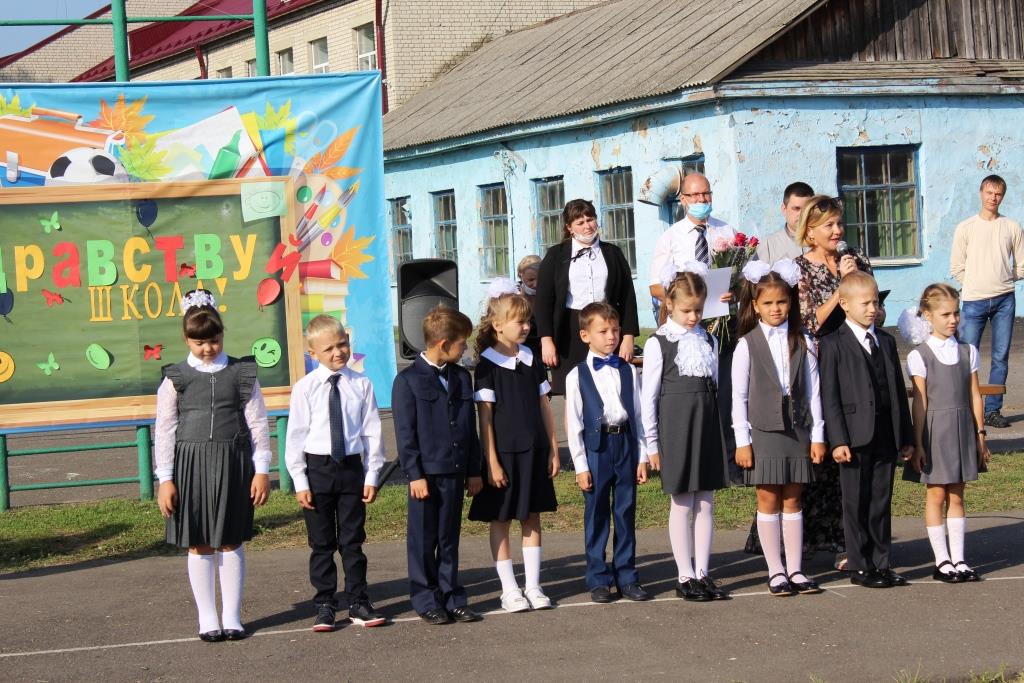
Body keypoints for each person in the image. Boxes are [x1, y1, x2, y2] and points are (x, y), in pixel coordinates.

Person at [155, 289, 271, 642]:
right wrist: (165, 479)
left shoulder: (242, 373)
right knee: (199, 542)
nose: (208, 348)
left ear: (222, 334)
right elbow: (165, 429)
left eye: (214, 340)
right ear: (186, 339)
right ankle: (207, 617)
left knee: (230, 540)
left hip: (232, 462)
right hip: (190, 466)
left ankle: (232, 616)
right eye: (199, 342)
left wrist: (262, 470)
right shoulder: (175, 378)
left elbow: (257, 423)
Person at [285, 315, 387, 632]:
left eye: (342, 344)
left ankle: (358, 601)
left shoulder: (361, 384)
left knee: (352, 541)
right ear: (313, 353)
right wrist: (300, 481)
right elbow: (296, 437)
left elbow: (372, 432)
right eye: (328, 348)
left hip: (351, 469)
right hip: (318, 470)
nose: (338, 352)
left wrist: (371, 475)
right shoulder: (305, 389)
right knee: (322, 543)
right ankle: (325, 604)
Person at [732, 260, 826, 595]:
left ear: (791, 302)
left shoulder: (804, 341)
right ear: (755, 305)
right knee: (768, 497)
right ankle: (775, 570)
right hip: (764, 432)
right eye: (768, 302)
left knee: (793, 498)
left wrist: (818, 436)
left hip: (797, 431)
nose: (776, 308)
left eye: (782, 301)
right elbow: (739, 397)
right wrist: (742, 441)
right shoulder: (747, 344)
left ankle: (796, 569)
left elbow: (814, 392)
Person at [468, 280, 560, 612]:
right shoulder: (486, 365)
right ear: (497, 325)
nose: (526, 327)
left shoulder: (532, 358)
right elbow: (485, 417)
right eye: (519, 322)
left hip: (534, 452)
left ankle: (533, 586)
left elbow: (544, 405)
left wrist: (553, 448)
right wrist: (491, 461)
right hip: (504, 455)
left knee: (532, 517)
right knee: (501, 520)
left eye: (528, 321)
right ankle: (509, 590)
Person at [641, 264, 731, 602]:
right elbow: (648, 397)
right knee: (682, 502)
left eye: (698, 310)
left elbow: (715, 385)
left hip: (705, 425)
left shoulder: (709, 339)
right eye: (686, 310)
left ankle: (703, 572)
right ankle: (684, 575)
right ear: (670, 305)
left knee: (705, 501)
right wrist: (652, 444)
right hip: (676, 428)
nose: (693, 317)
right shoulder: (659, 343)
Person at [819, 272, 914, 589]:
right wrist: (837, 440)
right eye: (865, 303)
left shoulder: (885, 341)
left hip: (886, 433)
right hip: (853, 437)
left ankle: (881, 563)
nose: (873, 309)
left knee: (880, 501)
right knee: (856, 503)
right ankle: (859, 564)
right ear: (845, 305)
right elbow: (830, 396)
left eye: (875, 302)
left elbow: (897, 391)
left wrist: (906, 436)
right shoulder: (833, 343)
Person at [392, 305, 484, 625]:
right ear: (444, 344)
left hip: (455, 471)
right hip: (426, 476)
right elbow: (405, 434)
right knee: (423, 539)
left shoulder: (460, 377)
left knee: (448, 538)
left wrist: (474, 470)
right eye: (462, 343)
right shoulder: (408, 381)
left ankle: (452, 596)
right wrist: (414, 474)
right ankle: (426, 599)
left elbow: (469, 428)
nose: (465, 348)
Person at [900, 284, 991, 583]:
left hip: (963, 429)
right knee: (936, 494)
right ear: (927, 315)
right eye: (945, 314)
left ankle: (959, 559)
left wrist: (980, 435)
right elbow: (920, 403)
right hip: (935, 432)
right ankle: (942, 561)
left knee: (957, 494)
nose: (953, 319)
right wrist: (918, 442)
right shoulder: (920, 355)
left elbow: (975, 395)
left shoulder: (968, 351)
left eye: (956, 313)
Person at [564, 302, 652, 604]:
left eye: (615, 330)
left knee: (625, 512)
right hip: (596, 448)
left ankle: (627, 576)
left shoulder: (629, 370)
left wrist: (642, 456)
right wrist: (580, 465)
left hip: (625, 444)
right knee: (597, 514)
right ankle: (598, 578)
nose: (611, 336)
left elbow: (638, 416)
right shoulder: (577, 375)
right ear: (585, 336)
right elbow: (574, 423)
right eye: (603, 331)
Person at [536, 199, 638, 395]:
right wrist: (546, 340)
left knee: (609, 388)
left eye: (590, 219)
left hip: (606, 326)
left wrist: (628, 337)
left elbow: (627, 297)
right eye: (580, 222)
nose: (587, 226)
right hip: (570, 331)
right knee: (574, 391)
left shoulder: (613, 253)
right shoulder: (556, 255)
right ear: (569, 227)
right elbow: (543, 300)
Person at [949, 174, 1024, 429]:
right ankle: (966, 408)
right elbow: (957, 266)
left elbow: (1021, 265)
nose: (993, 198)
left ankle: (992, 410)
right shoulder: (966, 227)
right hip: (973, 301)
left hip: (1004, 300)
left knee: (1001, 356)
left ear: (1003, 196)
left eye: (998, 194)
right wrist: (974, 282)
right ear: (981, 193)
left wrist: (1003, 278)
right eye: (989, 192)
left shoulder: (1011, 227)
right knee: (967, 355)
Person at [648, 172, 736, 306]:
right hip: (686, 315)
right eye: (695, 194)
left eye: (706, 193)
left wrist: (735, 295)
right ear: (683, 199)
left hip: (723, 312)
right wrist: (685, 305)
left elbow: (744, 280)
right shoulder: (669, 237)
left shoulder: (728, 232)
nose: (702, 199)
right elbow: (656, 287)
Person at [755, 182, 814, 264]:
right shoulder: (768, 246)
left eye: (807, 209)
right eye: (796, 208)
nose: (802, 214)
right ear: (784, 209)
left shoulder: (823, 241)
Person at [517, 254, 543, 357]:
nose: (536, 284)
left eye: (540, 279)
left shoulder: (548, 294)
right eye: (531, 280)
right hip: (521, 343)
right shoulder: (514, 294)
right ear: (521, 275)